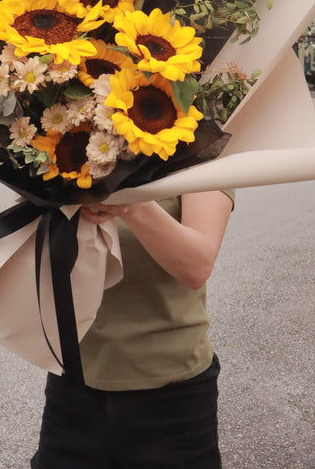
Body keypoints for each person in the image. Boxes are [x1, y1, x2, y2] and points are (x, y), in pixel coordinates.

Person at [30, 189, 235, 469]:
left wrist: (128, 202)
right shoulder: (67, 150)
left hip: (169, 391)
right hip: (74, 378)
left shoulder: (202, 155)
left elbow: (196, 266)